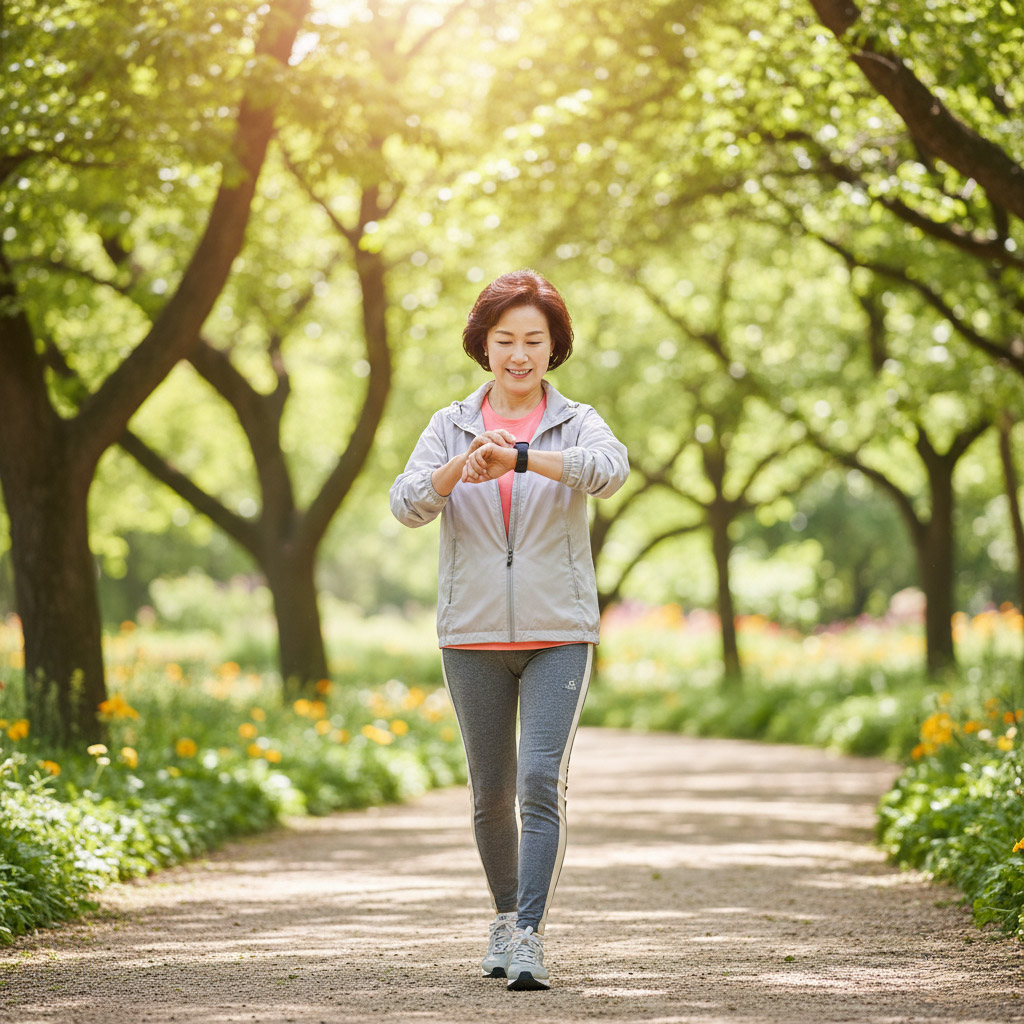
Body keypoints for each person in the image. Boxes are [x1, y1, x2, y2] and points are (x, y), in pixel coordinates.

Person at [389, 269, 629, 991]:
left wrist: (523, 456)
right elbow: (405, 504)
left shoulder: (577, 419)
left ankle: (528, 934)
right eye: (505, 340)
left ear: (554, 348)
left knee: (538, 781)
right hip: (471, 635)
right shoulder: (449, 425)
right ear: (483, 345)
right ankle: (501, 916)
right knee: (490, 793)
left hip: (559, 632)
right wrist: (463, 465)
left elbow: (610, 471)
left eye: (534, 339)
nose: (519, 354)